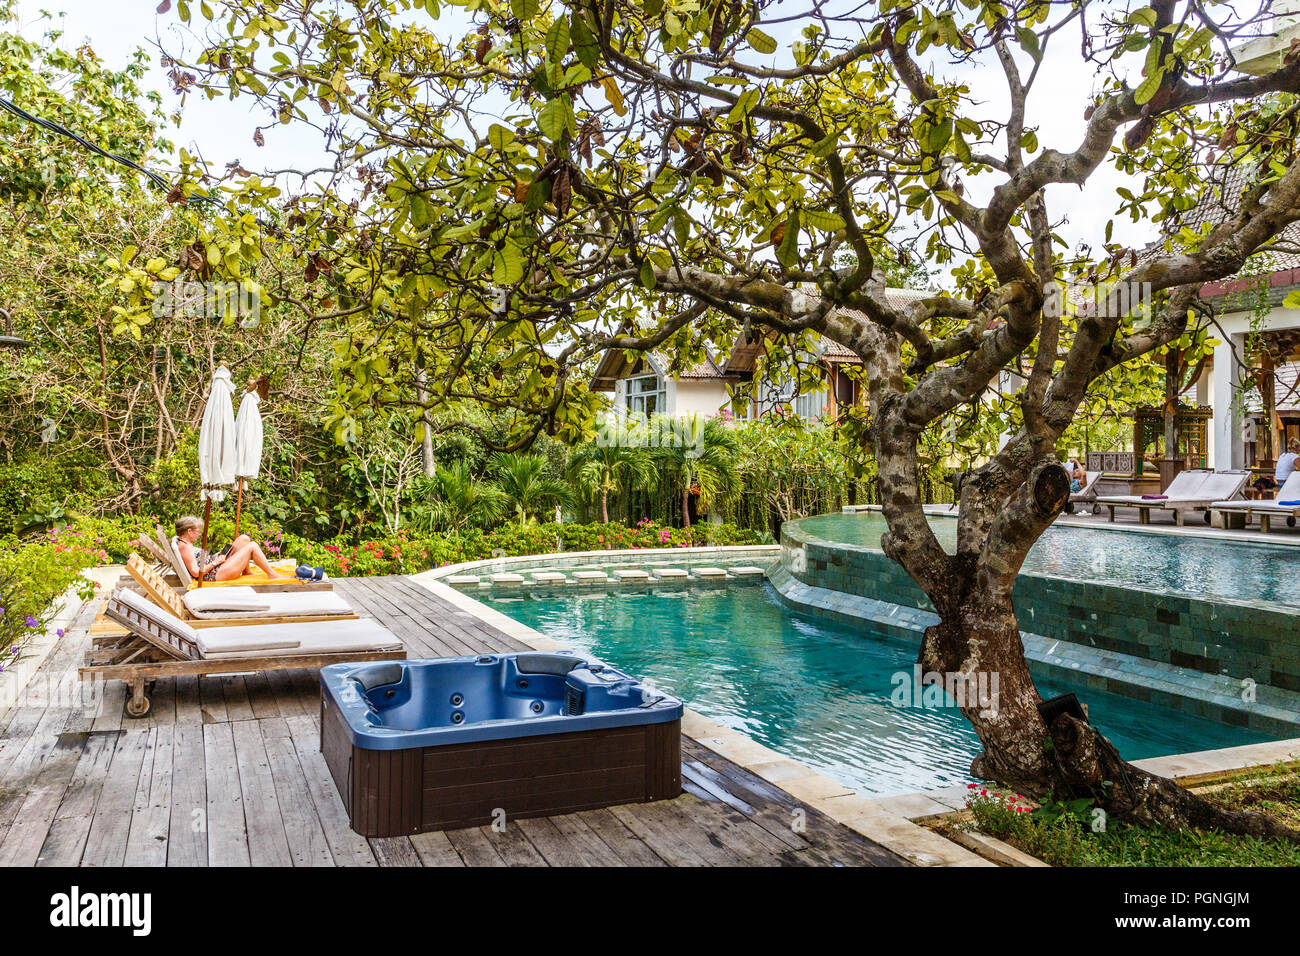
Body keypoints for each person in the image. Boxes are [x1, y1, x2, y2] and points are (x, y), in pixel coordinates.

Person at [174, 515, 293, 583]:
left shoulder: (185, 542)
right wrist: (216, 561)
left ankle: (246, 571)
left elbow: (199, 560)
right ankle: (272, 574)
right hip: (215, 574)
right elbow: (196, 572)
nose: (199, 535)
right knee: (252, 546)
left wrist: (217, 555)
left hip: (216, 566)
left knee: (244, 539)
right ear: (189, 531)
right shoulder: (184, 547)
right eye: (197, 532)